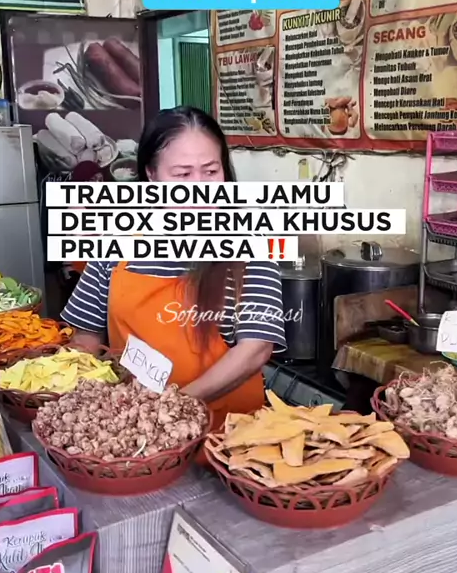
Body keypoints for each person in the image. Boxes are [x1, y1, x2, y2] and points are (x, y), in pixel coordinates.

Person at [61, 106, 287, 433]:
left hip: (230, 438)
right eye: (182, 175)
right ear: (152, 175)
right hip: (133, 433)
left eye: (211, 171)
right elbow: (86, 336)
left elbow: (255, 348)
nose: (199, 188)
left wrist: (171, 408)